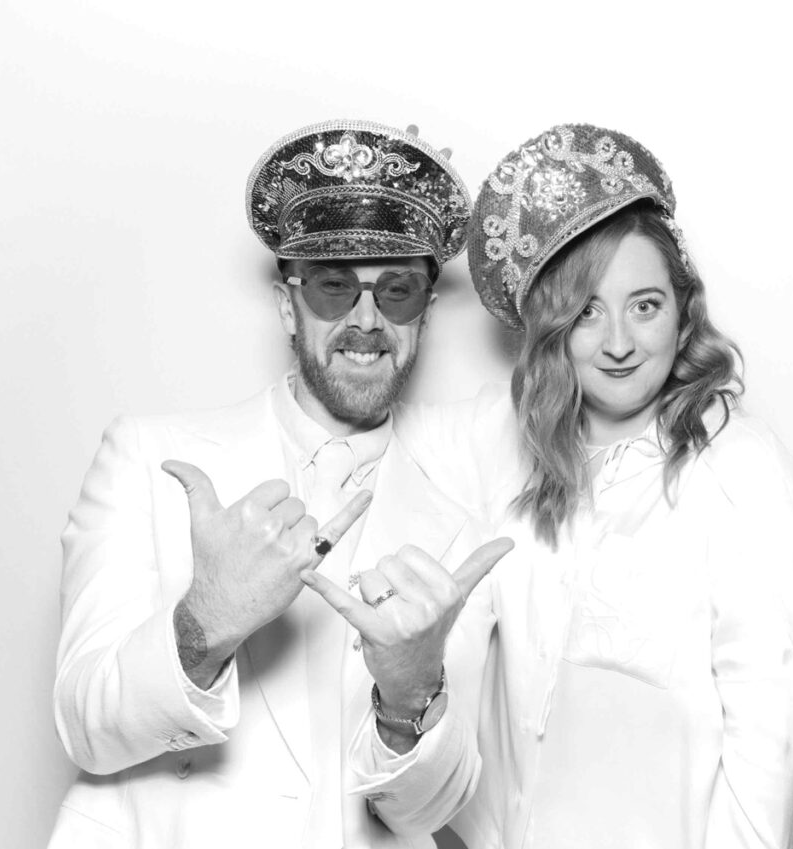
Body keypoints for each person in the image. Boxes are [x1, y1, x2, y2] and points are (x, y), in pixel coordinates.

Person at [384, 124, 793, 848]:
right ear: (550, 327)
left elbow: (773, 725)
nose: (617, 342)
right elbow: (374, 430)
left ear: (682, 309)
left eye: (644, 305)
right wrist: (399, 237)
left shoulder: (733, 471)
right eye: (586, 311)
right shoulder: (510, 442)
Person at [49, 120, 509, 849]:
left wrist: (412, 695)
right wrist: (203, 625)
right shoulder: (149, 459)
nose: (366, 320)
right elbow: (83, 724)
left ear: (423, 310)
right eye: (334, 288)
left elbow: (427, 813)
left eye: (396, 289)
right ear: (285, 302)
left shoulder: (460, 527)